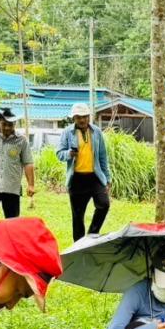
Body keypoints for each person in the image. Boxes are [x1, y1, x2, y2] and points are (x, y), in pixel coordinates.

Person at [57, 102, 111, 241]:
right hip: (77, 179)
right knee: (78, 216)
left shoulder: (96, 132)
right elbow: (59, 153)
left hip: (95, 177)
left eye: (85, 116)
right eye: (78, 117)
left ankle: (92, 235)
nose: (82, 120)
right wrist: (69, 154)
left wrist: (107, 178)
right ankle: (78, 245)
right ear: (74, 118)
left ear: (89, 117)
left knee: (104, 204)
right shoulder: (67, 132)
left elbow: (102, 156)